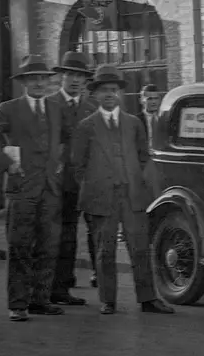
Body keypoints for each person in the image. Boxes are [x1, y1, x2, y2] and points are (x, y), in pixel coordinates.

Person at [72, 66, 175, 316]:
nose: (109, 94)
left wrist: (143, 187)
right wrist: (94, 186)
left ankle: (148, 298)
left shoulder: (133, 123)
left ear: (120, 93)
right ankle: (108, 300)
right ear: (95, 95)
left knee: (139, 247)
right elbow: (78, 164)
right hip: (102, 197)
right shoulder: (86, 126)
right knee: (104, 250)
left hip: (132, 196)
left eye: (113, 90)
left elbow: (144, 158)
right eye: (104, 90)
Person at [0, 55, 67, 322]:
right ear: (24, 82)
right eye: (33, 79)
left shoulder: (57, 109)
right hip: (22, 188)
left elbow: (69, 138)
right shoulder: (9, 109)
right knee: (20, 246)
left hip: (50, 189)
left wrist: (60, 161)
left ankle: (40, 300)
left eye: (43, 79)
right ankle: (18, 304)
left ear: (49, 82)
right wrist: (7, 163)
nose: (39, 83)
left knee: (49, 246)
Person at [49, 51, 97, 305]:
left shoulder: (91, 107)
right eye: (70, 74)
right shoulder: (49, 104)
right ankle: (58, 287)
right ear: (62, 77)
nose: (75, 80)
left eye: (80, 76)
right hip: (59, 182)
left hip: (87, 182)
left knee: (92, 230)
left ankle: (87, 278)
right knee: (62, 235)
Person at [138, 84, 166, 198]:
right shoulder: (136, 120)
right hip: (144, 163)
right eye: (149, 99)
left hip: (161, 162)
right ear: (142, 100)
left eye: (156, 98)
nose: (153, 102)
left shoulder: (164, 119)